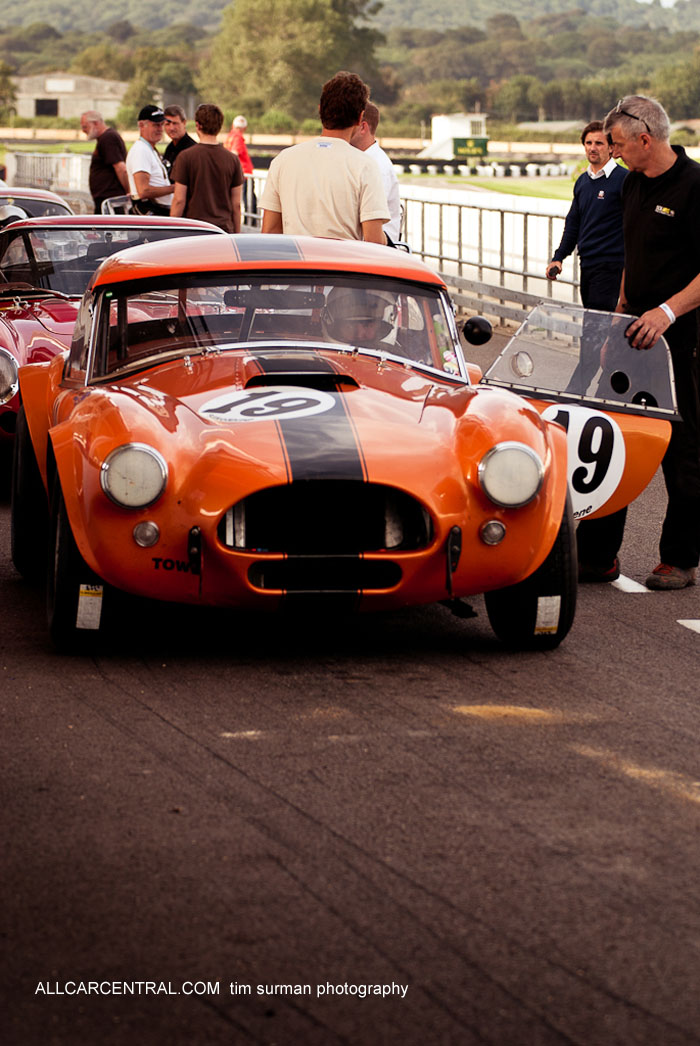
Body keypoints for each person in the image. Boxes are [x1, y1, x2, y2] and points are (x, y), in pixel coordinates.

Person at [602, 94, 700, 590]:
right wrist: (617, 318)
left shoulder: (695, 185)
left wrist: (667, 312)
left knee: (684, 454)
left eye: (618, 145)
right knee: (611, 438)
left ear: (645, 139)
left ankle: (679, 559)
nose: (613, 153)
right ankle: (598, 554)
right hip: (631, 335)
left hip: (683, 340)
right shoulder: (631, 183)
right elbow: (631, 254)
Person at [545, 121, 628, 583]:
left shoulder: (622, 182)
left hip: (614, 271)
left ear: (611, 148)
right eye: (589, 144)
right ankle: (582, 395)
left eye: (600, 144)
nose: (595, 149)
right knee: (588, 340)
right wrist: (560, 255)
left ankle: (579, 400)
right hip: (589, 267)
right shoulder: (583, 182)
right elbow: (573, 224)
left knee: (597, 344)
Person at [261, 71, 389, 243]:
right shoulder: (365, 166)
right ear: (360, 118)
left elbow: (269, 232)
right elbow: (374, 241)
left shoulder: (282, 160)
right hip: (342, 260)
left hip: (295, 259)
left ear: (320, 109)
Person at [170, 103, 244, 233]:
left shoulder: (185, 157)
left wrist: (171, 231)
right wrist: (237, 236)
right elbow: (236, 205)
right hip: (223, 231)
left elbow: (179, 200)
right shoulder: (233, 160)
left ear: (198, 125)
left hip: (194, 230)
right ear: (219, 126)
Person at [350, 101, 401, 244]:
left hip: (379, 246)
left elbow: (371, 227)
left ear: (363, 127)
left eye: (348, 124)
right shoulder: (365, 160)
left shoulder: (378, 166)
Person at [126, 105, 173, 216]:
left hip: (157, 211)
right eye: (156, 125)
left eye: (162, 124)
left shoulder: (148, 149)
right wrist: (175, 188)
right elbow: (143, 191)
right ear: (141, 125)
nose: (160, 129)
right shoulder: (141, 150)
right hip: (151, 213)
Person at [80, 110, 129, 213]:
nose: (83, 130)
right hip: (105, 199)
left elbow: (121, 168)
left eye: (85, 127)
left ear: (96, 123)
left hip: (110, 199)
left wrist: (129, 191)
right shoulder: (104, 138)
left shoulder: (108, 138)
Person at [225, 114, 257, 223]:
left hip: (239, 173)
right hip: (244, 173)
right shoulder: (238, 137)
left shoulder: (229, 137)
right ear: (245, 128)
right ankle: (250, 221)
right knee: (249, 199)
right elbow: (234, 153)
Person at [163, 105, 196, 179]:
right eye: (167, 124)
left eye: (175, 123)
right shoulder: (170, 148)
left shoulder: (192, 150)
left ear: (184, 123)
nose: (171, 128)